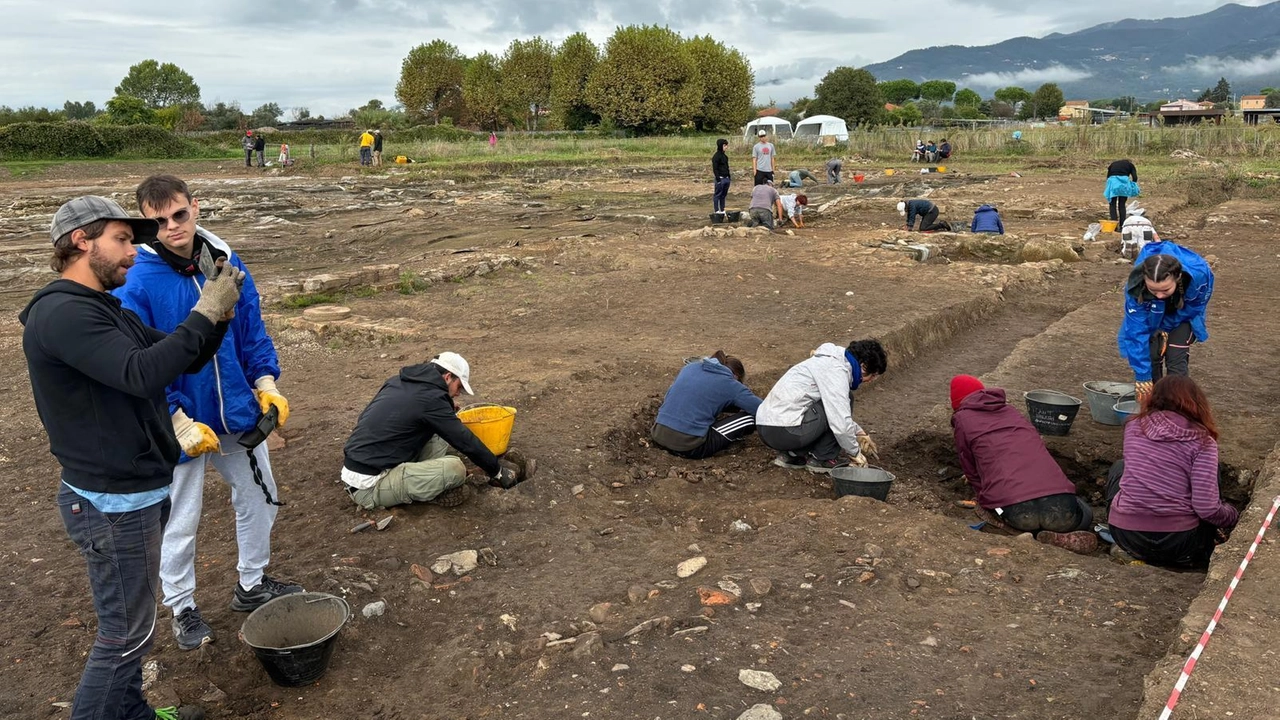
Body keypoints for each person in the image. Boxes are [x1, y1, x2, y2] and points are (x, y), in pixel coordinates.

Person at [21, 196, 244, 720]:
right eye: (122, 240)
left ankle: (132, 712)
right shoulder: (63, 314)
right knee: (125, 635)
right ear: (82, 240)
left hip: (132, 490)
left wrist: (217, 315)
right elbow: (141, 373)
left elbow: (173, 354)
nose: (133, 251)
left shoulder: (102, 307)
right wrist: (202, 312)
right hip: (111, 503)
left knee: (134, 629)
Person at [115, 175, 302, 651]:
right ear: (146, 223)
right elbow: (135, 361)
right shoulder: (136, 279)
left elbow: (251, 327)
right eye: (158, 221)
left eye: (179, 214)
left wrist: (266, 383)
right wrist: (176, 418)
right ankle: (183, 607)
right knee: (180, 515)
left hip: (236, 408)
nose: (172, 227)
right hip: (177, 419)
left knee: (261, 495)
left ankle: (252, 583)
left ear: (195, 207)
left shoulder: (225, 263)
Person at [341, 353, 521, 509]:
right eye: (459, 387)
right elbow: (464, 440)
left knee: (441, 428)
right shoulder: (431, 400)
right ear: (448, 377)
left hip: (364, 463)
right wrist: (496, 471)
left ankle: (422, 478)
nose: (458, 394)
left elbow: (370, 416)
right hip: (369, 487)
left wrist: (446, 409)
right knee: (455, 468)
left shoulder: (397, 382)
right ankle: (429, 490)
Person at [949, 375, 1097, 554]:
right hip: (1061, 506)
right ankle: (1060, 534)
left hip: (1015, 512)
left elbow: (970, 468)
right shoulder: (1011, 412)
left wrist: (984, 496)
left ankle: (1019, 531)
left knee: (994, 507)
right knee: (1085, 511)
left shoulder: (962, 420)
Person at [1105, 376, 1237, 569]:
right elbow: (1207, 508)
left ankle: (1123, 540)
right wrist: (1232, 516)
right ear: (1196, 402)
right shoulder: (1202, 441)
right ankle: (1200, 558)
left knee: (1120, 467)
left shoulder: (1133, 427)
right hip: (1179, 542)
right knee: (1209, 473)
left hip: (1126, 536)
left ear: (1154, 398)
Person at [756, 340, 887, 474]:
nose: (871, 381)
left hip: (767, 427)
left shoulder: (826, 361)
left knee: (830, 407)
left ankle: (792, 455)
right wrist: (856, 453)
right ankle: (823, 458)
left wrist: (859, 432)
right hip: (785, 431)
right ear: (863, 367)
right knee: (843, 403)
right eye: (873, 375)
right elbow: (839, 422)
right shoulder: (836, 372)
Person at [1118, 240, 1213, 401]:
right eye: (1153, 290)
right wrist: (1143, 377)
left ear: (1178, 277)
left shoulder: (1198, 275)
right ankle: (1153, 401)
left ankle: (1177, 404)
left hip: (1184, 312)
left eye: (1165, 289)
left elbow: (1195, 305)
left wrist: (1167, 326)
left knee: (1176, 356)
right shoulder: (1135, 286)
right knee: (1152, 353)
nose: (1160, 295)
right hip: (1151, 312)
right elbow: (1136, 329)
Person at [651, 352, 762, 459]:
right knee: (750, 418)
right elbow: (762, 410)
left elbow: (669, 397)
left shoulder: (689, 368)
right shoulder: (731, 384)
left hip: (658, 434)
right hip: (690, 447)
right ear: (736, 376)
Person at [1105, 158, 1140, 223]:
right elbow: (1135, 177)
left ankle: (1114, 224)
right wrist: (1132, 185)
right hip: (1124, 185)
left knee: (1112, 204)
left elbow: (1108, 177)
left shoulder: (1113, 164)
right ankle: (1122, 225)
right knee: (1122, 205)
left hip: (1113, 184)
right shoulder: (1130, 165)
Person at [711, 138, 732, 215]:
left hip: (726, 178)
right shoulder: (716, 157)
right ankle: (717, 211)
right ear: (721, 146)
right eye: (725, 145)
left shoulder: (725, 157)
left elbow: (727, 167)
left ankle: (722, 210)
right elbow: (715, 168)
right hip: (720, 178)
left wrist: (729, 177)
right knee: (717, 195)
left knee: (723, 195)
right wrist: (718, 179)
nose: (726, 147)